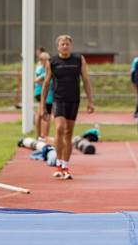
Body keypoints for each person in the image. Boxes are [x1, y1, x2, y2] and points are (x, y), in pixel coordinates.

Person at [40, 35, 95, 180]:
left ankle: (65, 166)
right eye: (62, 44)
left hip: (74, 100)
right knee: (59, 128)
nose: (65, 46)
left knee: (69, 133)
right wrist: (42, 106)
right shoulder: (52, 61)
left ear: (71, 46)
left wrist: (90, 101)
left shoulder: (79, 59)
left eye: (67, 44)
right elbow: (46, 84)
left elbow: (86, 80)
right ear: (58, 47)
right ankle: (58, 164)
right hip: (58, 100)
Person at [33, 51, 53, 139]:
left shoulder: (40, 67)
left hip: (42, 93)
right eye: (47, 59)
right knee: (46, 115)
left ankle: (40, 135)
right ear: (43, 60)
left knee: (40, 113)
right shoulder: (43, 69)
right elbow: (37, 80)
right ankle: (45, 136)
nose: (49, 60)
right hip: (45, 94)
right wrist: (46, 84)